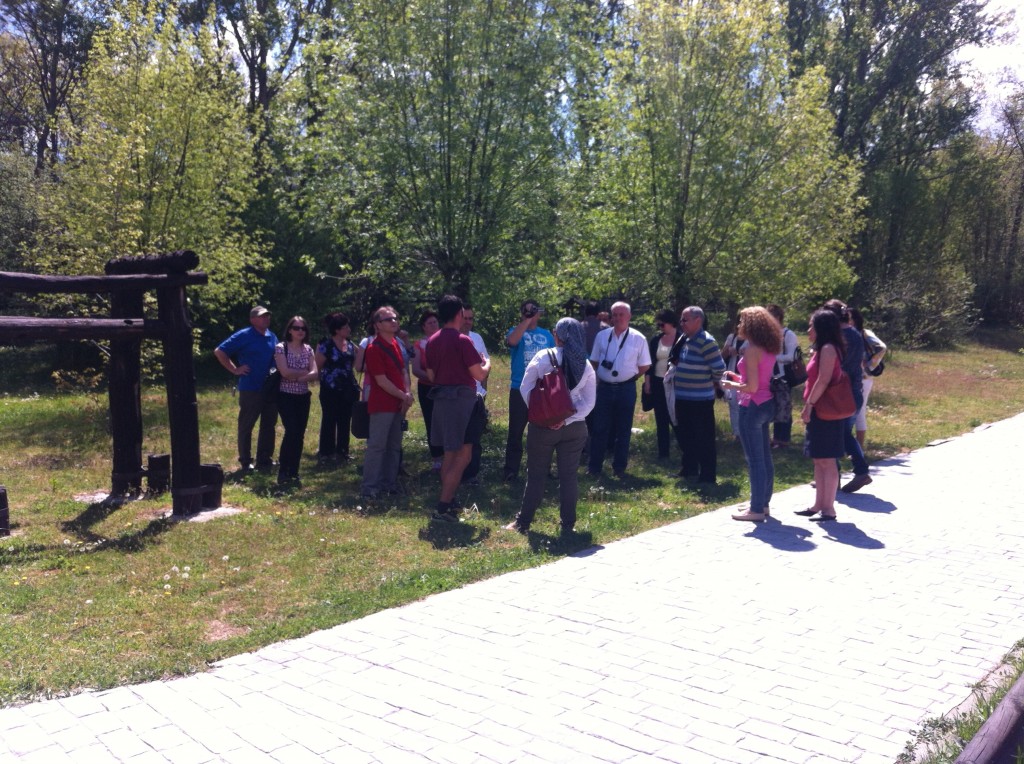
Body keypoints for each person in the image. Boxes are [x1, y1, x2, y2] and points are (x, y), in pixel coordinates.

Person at [504, 318, 597, 535]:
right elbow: (589, 402)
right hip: (575, 428)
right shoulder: (586, 364)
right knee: (569, 476)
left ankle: (523, 523)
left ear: (557, 335)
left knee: (536, 475)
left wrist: (545, 416)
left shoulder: (543, 357)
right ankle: (567, 524)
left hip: (542, 427)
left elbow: (525, 389)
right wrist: (565, 419)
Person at [424, 295, 490, 522]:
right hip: (463, 403)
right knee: (464, 456)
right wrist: (487, 362)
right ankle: (443, 506)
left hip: (442, 401)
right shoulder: (463, 341)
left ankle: (449, 501)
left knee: (449, 456)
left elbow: (431, 375)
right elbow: (479, 374)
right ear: (459, 314)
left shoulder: (432, 340)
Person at [721, 307, 784, 522]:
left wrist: (729, 384)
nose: (738, 326)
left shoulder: (751, 349)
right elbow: (758, 381)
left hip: (753, 406)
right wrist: (738, 379)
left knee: (755, 460)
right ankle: (763, 504)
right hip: (766, 405)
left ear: (750, 326)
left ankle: (755, 509)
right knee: (765, 458)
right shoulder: (768, 347)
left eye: (741, 322)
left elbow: (752, 387)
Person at [587, 301, 651, 478]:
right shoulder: (602, 336)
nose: (617, 318)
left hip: (626, 389)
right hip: (605, 388)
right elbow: (593, 361)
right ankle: (594, 467)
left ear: (629, 316)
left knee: (623, 430)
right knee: (599, 428)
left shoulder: (638, 338)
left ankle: (619, 467)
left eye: (621, 314)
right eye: (614, 314)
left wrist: (630, 378)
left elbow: (645, 365)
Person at [213, 305, 279, 472]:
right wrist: (235, 369)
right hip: (251, 387)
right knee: (246, 425)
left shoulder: (272, 336)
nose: (266, 318)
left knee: (269, 424)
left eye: (267, 316)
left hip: (270, 388)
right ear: (253, 320)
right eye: (262, 316)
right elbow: (220, 351)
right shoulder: (244, 335)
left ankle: (264, 459)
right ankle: (246, 461)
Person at [795, 309, 846, 521]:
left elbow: (823, 380)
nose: (808, 330)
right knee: (818, 459)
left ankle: (829, 508)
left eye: (811, 326)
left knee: (827, 460)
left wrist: (809, 405)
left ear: (821, 328)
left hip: (826, 410)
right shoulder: (820, 349)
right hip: (819, 410)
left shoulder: (828, 349)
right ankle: (818, 504)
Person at [361, 306, 414, 498]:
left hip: (398, 404)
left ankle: (389, 485)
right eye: (388, 319)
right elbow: (381, 381)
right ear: (377, 325)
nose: (394, 321)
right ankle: (370, 488)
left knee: (394, 446)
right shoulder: (374, 348)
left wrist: (407, 394)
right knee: (377, 446)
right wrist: (403, 396)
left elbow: (403, 372)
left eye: (395, 318)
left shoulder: (395, 345)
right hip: (382, 405)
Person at [670, 306, 726, 484]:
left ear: (698, 321)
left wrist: (710, 382)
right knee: (686, 436)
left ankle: (708, 476)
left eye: (685, 320)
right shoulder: (686, 338)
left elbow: (719, 368)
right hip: (683, 397)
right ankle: (689, 469)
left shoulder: (706, 341)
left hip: (700, 399)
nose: (681, 323)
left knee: (704, 438)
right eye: (681, 320)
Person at [823, 299, 872, 493]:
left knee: (838, 433)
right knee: (842, 433)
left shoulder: (840, 337)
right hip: (853, 391)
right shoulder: (854, 333)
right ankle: (848, 474)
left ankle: (856, 472)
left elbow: (836, 366)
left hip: (841, 393)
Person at [503, 299, 555, 481]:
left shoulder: (547, 335)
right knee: (515, 431)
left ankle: (543, 469)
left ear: (539, 313)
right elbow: (511, 341)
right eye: (526, 312)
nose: (531, 315)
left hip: (541, 389)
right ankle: (511, 470)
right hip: (519, 388)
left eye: (534, 312)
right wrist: (526, 320)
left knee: (544, 431)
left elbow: (554, 359)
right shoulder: (515, 331)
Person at [274, 316, 318, 487]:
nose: (300, 331)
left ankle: (294, 471)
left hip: (303, 396)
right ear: (290, 330)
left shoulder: (308, 349)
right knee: (291, 431)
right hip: (286, 396)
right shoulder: (281, 348)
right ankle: (283, 470)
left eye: (303, 328)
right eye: (297, 328)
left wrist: (298, 376)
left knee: (299, 434)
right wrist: (304, 374)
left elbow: (315, 373)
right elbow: (284, 372)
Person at [315, 312, 361, 466]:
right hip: (330, 389)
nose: (349, 328)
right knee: (329, 419)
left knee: (345, 419)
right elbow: (318, 366)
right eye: (345, 326)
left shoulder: (349, 344)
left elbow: (354, 361)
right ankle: (326, 453)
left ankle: (343, 452)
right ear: (337, 329)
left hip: (347, 388)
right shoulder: (326, 346)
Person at [643, 309, 679, 460]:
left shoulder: (681, 339)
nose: (660, 328)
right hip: (658, 383)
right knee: (661, 418)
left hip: (675, 384)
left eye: (662, 324)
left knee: (676, 417)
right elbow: (649, 363)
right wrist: (647, 382)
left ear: (671, 323)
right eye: (658, 325)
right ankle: (663, 453)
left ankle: (685, 449)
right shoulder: (656, 340)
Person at [850, 307, 887, 450]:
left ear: (856, 319)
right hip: (851, 377)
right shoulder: (847, 333)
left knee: (859, 411)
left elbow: (881, 347)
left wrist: (869, 365)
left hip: (864, 378)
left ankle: (858, 447)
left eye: (849, 318)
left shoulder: (865, 333)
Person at [411, 311, 444, 471]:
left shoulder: (445, 341)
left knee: (446, 420)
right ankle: (437, 457)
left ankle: (449, 453)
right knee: (431, 421)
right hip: (427, 387)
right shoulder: (419, 345)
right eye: (429, 323)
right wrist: (432, 379)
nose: (433, 325)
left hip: (445, 387)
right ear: (423, 327)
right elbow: (416, 369)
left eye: (435, 322)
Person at [461, 304, 490, 484]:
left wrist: (484, 391)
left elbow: (485, 364)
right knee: (459, 439)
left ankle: (472, 474)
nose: (469, 322)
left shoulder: (477, 338)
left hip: (476, 396)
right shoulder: (455, 339)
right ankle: (456, 474)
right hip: (459, 396)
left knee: (475, 439)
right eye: (465, 318)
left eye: (471, 318)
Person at [766, 304, 798, 449]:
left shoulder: (788, 334)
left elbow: (791, 356)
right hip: (768, 376)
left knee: (783, 408)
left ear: (777, 317)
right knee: (772, 407)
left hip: (783, 376)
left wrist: (774, 357)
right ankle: (774, 438)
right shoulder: (767, 334)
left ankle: (783, 440)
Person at [720, 320, 745, 439]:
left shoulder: (753, 339)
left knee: (744, 405)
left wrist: (740, 354)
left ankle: (745, 431)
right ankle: (737, 433)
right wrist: (728, 349)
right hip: (733, 373)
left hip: (746, 376)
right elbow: (722, 356)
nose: (739, 325)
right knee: (733, 403)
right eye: (738, 322)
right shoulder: (732, 337)